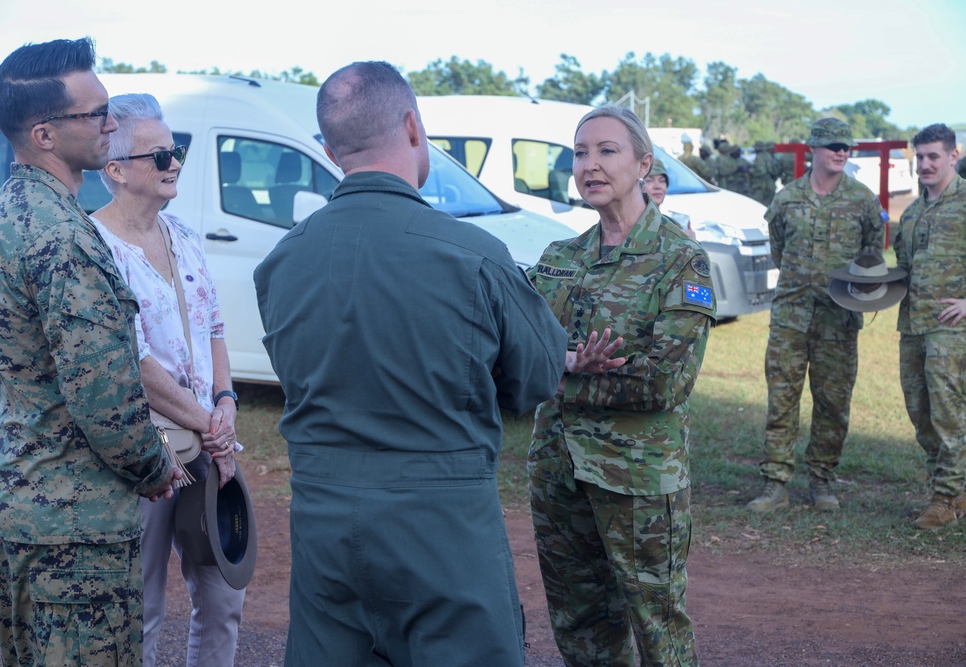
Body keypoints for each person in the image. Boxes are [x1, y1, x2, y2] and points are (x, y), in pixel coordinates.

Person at [253, 61, 617, 667]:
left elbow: (297, 376)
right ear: (414, 128)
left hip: (323, 519)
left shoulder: (282, 260)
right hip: (441, 522)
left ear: (328, 148)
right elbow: (531, 379)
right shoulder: (473, 254)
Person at [0, 38, 179, 666]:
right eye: (96, 113)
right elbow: (106, 400)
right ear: (44, 133)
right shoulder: (66, 238)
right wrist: (154, 468)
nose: (111, 123)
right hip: (74, 526)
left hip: (14, 498)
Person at [528, 103, 716, 667]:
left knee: (657, 626)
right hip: (559, 472)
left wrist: (559, 372)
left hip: (637, 481)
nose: (590, 165)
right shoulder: (560, 258)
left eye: (607, 151)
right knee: (579, 624)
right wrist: (566, 363)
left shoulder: (681, 261)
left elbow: (664, 383)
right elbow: (515, 354)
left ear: (643, 165)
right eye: (581, 153)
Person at [91, 93, 246, 665]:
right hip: (145, 450)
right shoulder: (96, 248)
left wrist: (225, 401)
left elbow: (214, 328)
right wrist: (213, 425)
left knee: (225, 592)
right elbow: (132, 363)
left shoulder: (181, 234)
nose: (175, 163)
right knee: (143, 602)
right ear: (116, 171)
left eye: (175, 150)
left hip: (207, 439)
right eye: (159, 156)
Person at [747, 118, 886, 513]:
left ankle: (822, 480)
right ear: (814, 149)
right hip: (791, 317)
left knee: (833, 403)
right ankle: (775, 483)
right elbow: (779, 250)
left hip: (838, 321)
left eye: (846, 147)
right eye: (833, 146)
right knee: (782, 401)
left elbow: (873, 255)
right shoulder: (787, 199)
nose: (841, 152)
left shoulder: (861, 200)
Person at [893, 123, 966, 529]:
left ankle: (943, 501)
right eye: (919, 157)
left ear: (953, 156)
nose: (924, 164)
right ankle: (957, 489)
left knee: (949, 416)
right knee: (920, 414)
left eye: (933, 156)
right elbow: (905, 268)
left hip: (951, 332)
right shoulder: (913, 213)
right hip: (912, 328)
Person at [750, 141, 782, 206]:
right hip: (770, 184)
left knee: (757, 204)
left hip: (761, 185)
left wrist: (750, 171)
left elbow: (761, 171)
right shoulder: (768, 156)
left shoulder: (760, 157)